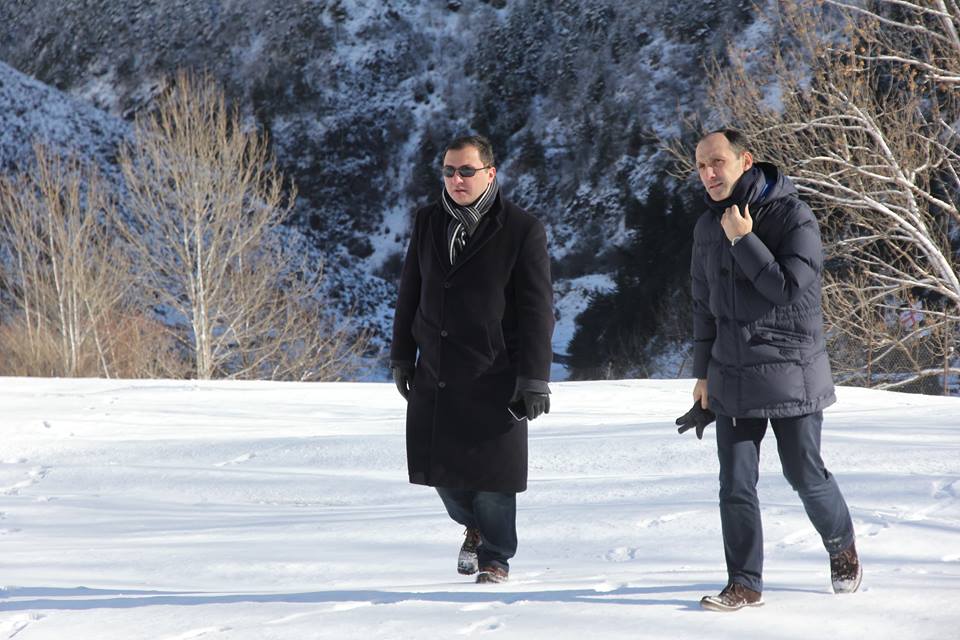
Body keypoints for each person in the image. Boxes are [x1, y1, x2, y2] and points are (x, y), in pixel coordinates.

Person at [689, 129, 862, 611]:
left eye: (717, 162)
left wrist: (744, 240)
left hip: (791, 371)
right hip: (731, 372)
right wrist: (703, 374)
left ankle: (841, 544)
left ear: (745, 161)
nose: (708, 174)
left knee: (803, 473)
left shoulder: (793, 215)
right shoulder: (706, 226)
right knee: (735, 483)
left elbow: (787, 288)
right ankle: (744, 584)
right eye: (701, 166)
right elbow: (703, 305)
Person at [390, 134, 554, 584]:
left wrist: (534, 378)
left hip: (495, 373)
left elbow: (538, 311)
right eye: (448, 171)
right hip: (437, 370)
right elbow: (409, 291)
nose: (456, 179)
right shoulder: (428, 220)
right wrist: (402, 355)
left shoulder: (522, 229)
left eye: (466, 171)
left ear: (490, 173)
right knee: (442, 474)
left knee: (493, 479)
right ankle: (474, 527)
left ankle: (495, 558)